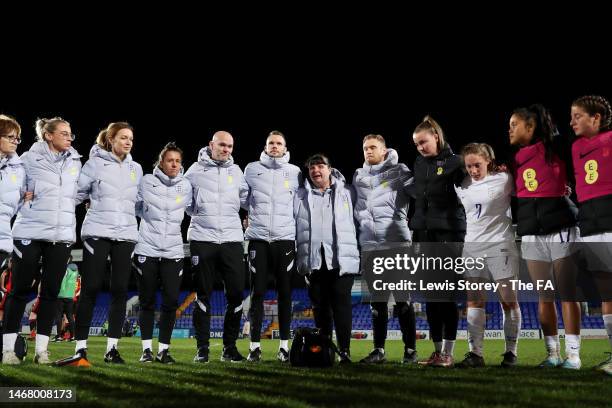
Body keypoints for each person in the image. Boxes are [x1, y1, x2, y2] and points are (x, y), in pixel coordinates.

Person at [3, 117, 81, 365]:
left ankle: (42, 352)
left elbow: (78, 193)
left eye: (71, 134)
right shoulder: (26, 159)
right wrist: (21, 199)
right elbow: (11, 193)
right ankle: (8, 351)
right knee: (19, 291)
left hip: (61, 236)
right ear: (48, 135)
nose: (70, 137)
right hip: (29, 232)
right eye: (64, 133)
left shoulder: (75, 162)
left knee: (50, 295)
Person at [509, 104, 581, 369]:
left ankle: (573, 355)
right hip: (530, 232)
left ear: (531, 126)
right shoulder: (514, 159)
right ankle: (552, 354)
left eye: (514, 124)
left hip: (561, 226)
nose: (510, 129)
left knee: (568, 293)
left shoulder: (559, 146)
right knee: (545, 295)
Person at [72, 122, 143, 364]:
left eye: (131, 138)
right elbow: (76, 194)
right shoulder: (93, 164)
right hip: (97, 232)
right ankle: (80, 348)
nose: (128, 142)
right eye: (123, 137)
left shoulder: (137, 169)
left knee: (120, 291)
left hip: (125, 235)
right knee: (90, 289)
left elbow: (141, 203)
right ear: (111, 139)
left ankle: (112, 349)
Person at [454, 143, 522, 368]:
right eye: (469, 166)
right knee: (474, 301)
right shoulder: (461, 184)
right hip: (472, 247)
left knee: (508, 301)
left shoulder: (504, 178)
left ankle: (511, 352)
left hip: (501, 245)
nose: (473, 170)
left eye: (477, 165)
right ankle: (476, 354)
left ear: (489, 161)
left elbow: (528, 190)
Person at [352, 134, 417, 364]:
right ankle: (378, 350)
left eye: (372, 147)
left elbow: (422, 195)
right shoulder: (359, 175)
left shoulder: (400, 171)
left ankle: (410, 350)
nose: (368, 151)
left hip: (397, 243)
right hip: (370, 246)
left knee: (402, 299)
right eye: (365, 148)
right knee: (377, 301)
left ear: (384, 150)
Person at [186, 131, 249, 363]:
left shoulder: (237, 171)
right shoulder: (193, 171)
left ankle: (229, 348)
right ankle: (202, 349)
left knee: (236, 295)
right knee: (203, 295)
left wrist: (250, 217)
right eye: (222, 145)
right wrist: (202, 214)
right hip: (203, 239)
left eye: (230, 146)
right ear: (211, 144)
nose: (226, 150)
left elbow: (248, 201)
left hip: (232, 239)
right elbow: (185, 204)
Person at [410, 116, 466, 368]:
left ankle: (448, 352)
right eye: (417, 144)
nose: (421, 147)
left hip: (449, 236)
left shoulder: (457, 163)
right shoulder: (419, 164)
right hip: (424, 236)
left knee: (446, 296)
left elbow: (476, 183)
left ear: (436, 135)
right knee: (431, 297)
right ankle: (436, 351)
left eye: (424, 142)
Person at [294, 154, 359, 363]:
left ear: (330, 169)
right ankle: (325, 350)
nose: (315, 170)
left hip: (341, 259)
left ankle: (345, 351)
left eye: (320, 166)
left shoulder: (348, 192)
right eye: (311, 167)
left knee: (342, 306)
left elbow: (362, 218)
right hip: (314, 259)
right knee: (320, 308)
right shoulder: (301, 195)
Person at [243, 131, 301, 362]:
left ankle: (284, 346)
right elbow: (242, 199)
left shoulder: (295, 172)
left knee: (285, 294)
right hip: (258, 239)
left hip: (285, 239)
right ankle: (254, 346)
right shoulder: (251, 169)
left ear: (285, 148)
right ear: (265, 147)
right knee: (257, 293)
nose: (275, 147)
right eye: (271, 143)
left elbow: (299, 206)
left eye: (279, 143)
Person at [134, 142, 192, 364]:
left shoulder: (186, 186)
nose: (174, 164)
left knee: (170, 302)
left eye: (178, 161)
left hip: (173, 251)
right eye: (170, 160)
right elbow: (135, 207)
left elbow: (193, 208)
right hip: (146, 248)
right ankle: (146, 350)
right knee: (147, 301)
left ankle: (164, 350)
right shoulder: (146, 181)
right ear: (161, 162)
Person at [569, 95, 612, 374]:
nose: (572, 121)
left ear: (595, 117)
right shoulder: (576, 147)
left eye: (577, 116)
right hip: (591, 224)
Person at [53, 257, 79, 342]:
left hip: (61, 295)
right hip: (70, 296)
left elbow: (62, 280)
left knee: (59, 315)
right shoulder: (76, 270)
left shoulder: (65, 269)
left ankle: (59, 336)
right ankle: (73, 336)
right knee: (70, 316)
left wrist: (60, 291)